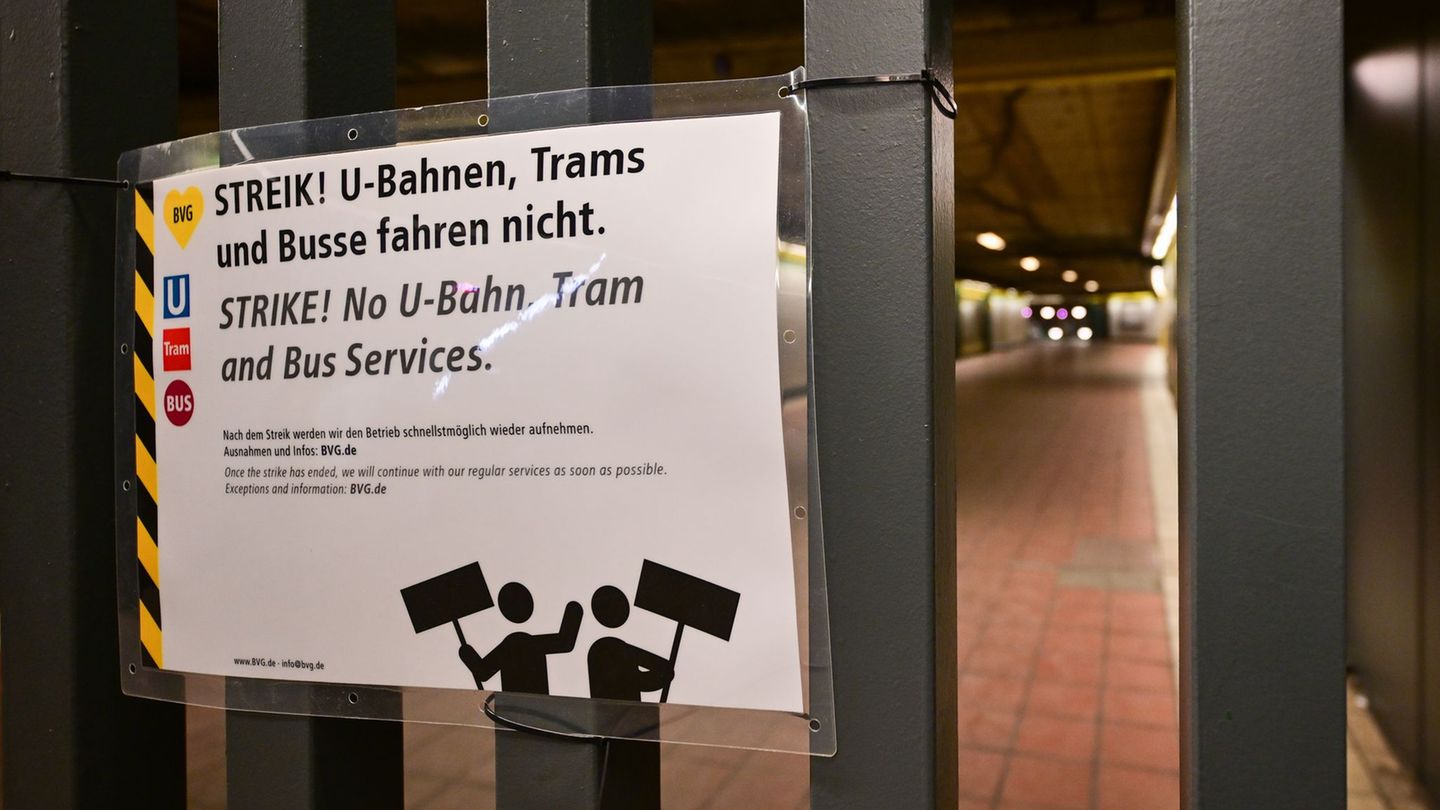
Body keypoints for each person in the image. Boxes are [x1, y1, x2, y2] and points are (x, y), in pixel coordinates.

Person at [458, 582, 582, 694]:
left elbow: (483, 672)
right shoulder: (522, 643)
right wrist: (574, 611)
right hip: (533, 706)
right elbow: (564, 642)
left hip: (515, 708)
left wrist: (466, 652)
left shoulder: (512, 644)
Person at [586, 585, 673, 701]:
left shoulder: (603, 648)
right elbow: (664, 671)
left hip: (625, 713)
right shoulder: (609, 648)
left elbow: (664, 671)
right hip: (620, 713)